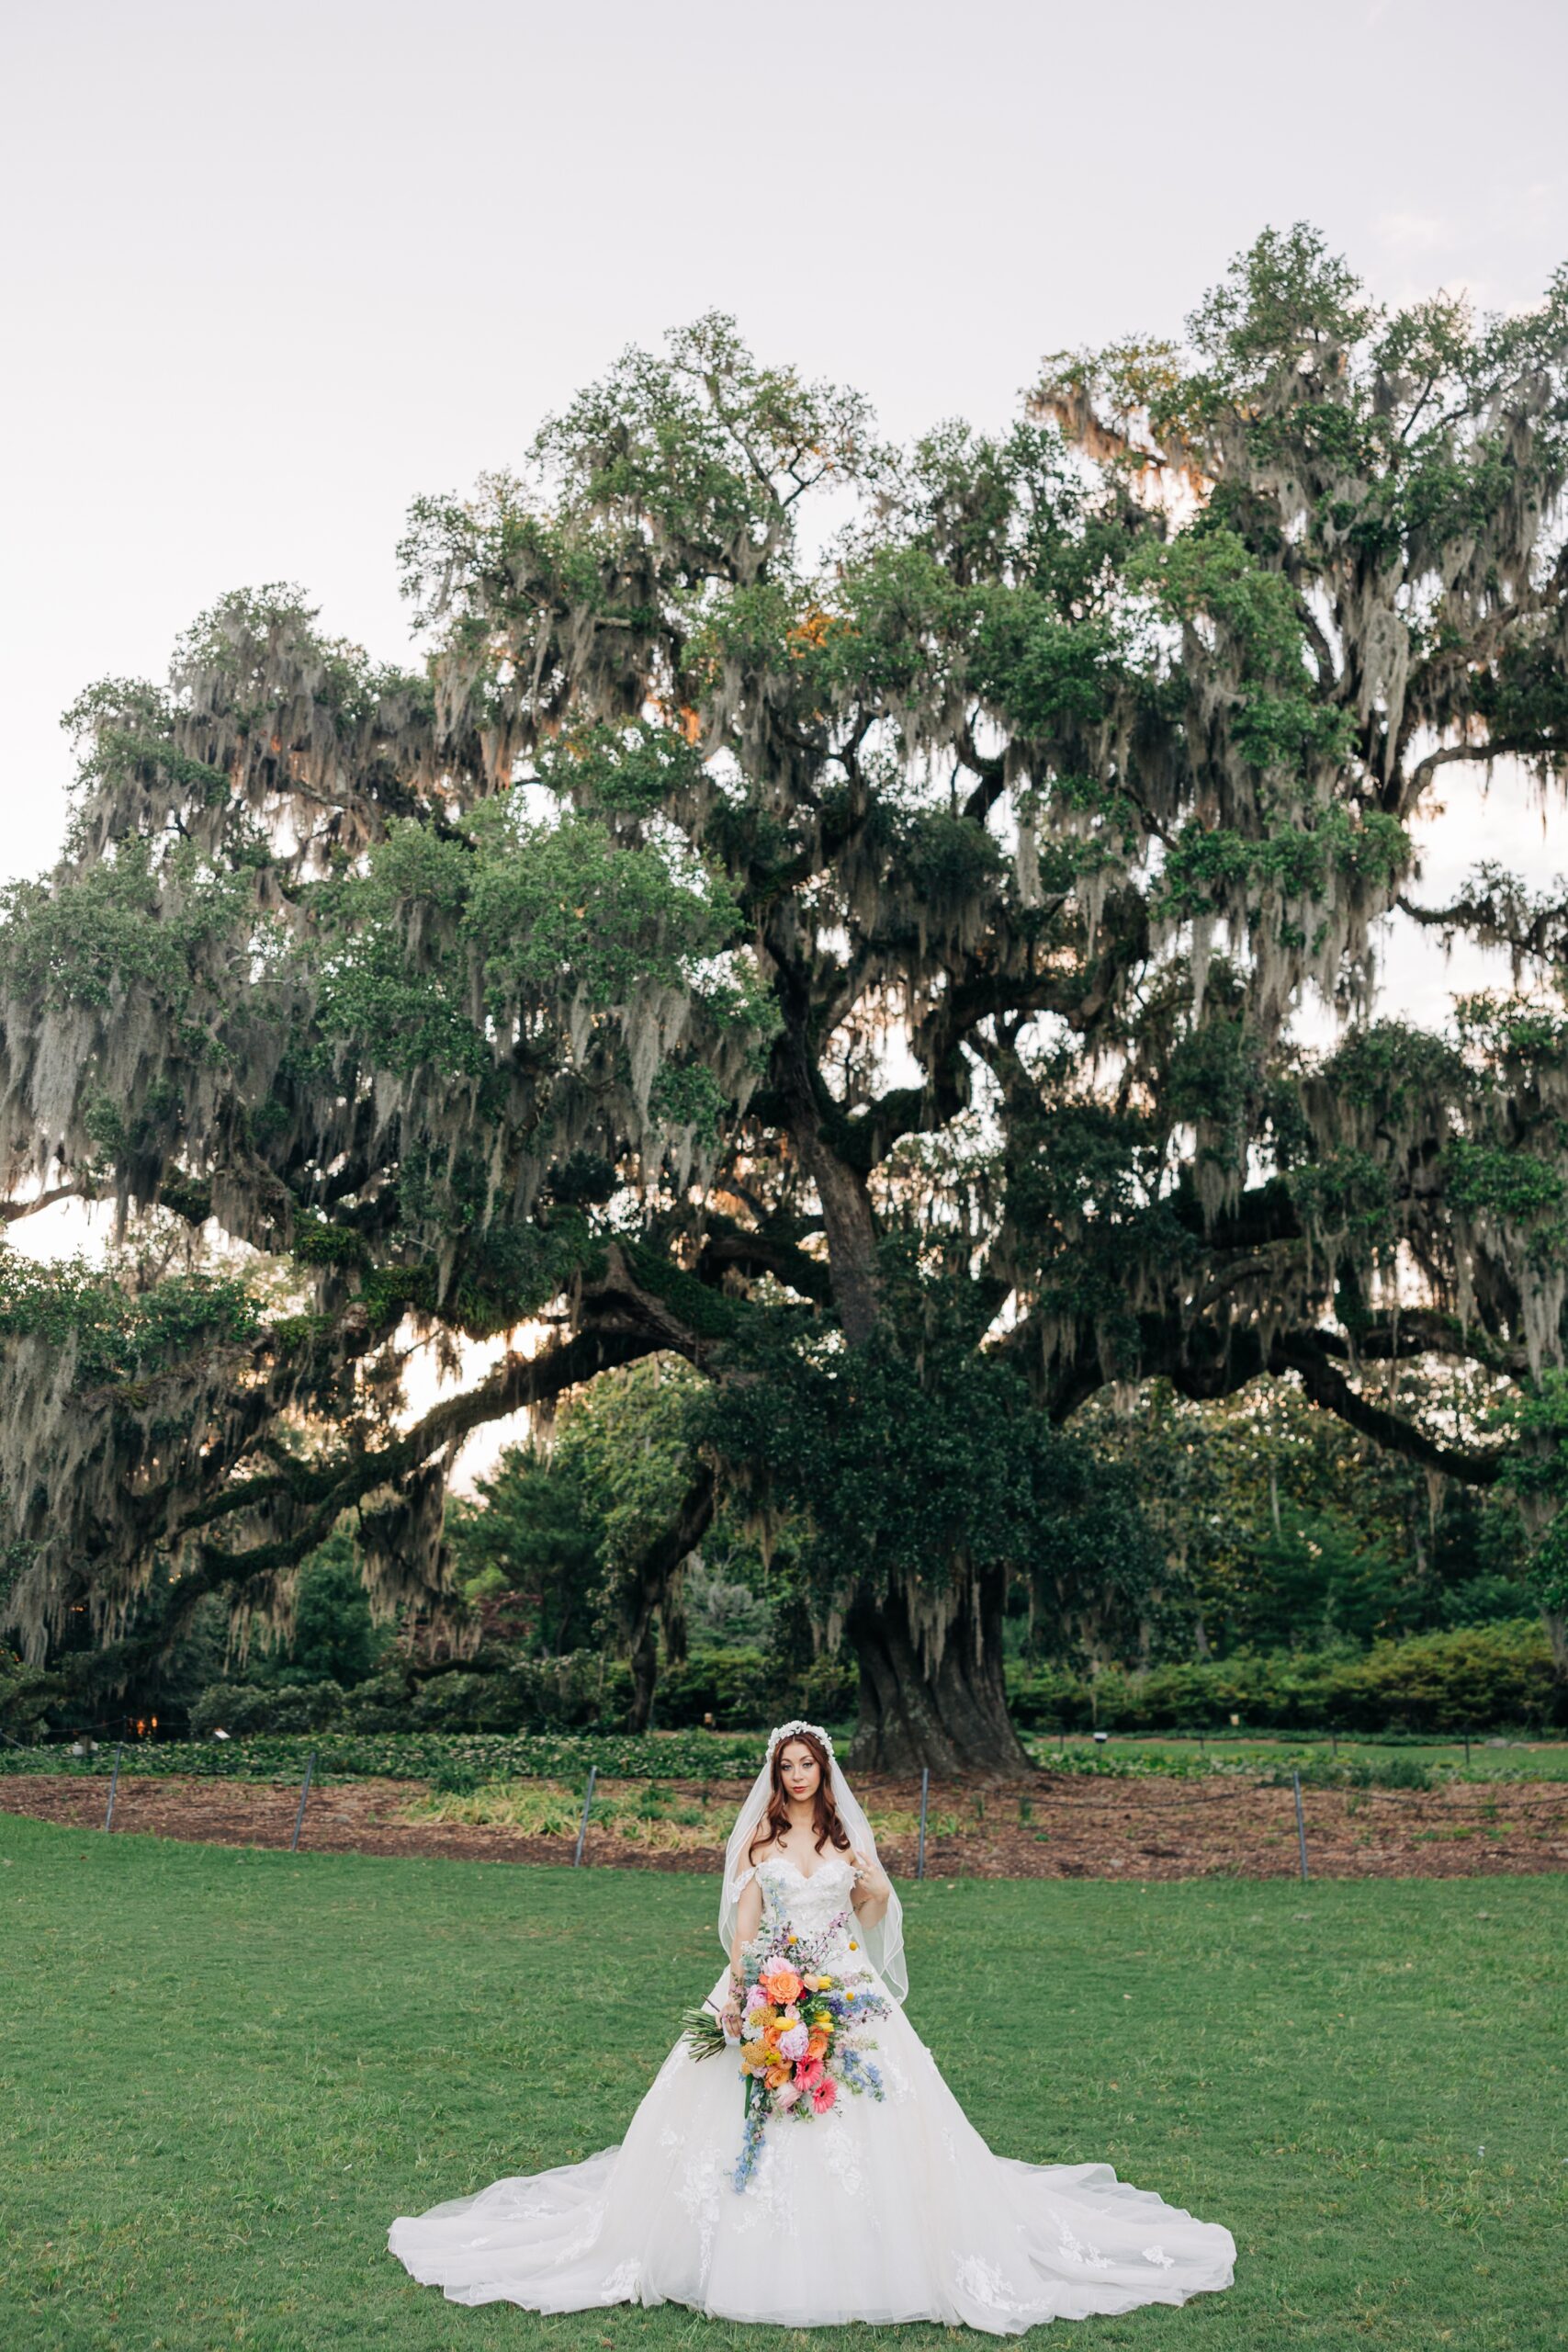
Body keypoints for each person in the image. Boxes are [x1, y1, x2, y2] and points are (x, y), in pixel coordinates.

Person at [387, 1719, 1235, 2331]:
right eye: (785, 1766)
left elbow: (871, 1909)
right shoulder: (758, 1840)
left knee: (881, 2112)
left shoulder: (844, 1838)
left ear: (823, 1772)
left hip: (847, 1985)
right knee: (739, 2111)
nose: (796, 1776)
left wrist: (869, 1882)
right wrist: (745, 1989)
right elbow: (745, 1928)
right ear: (773, 1773)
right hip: (770, 1983)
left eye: (806, 1765)